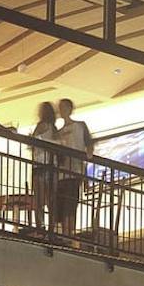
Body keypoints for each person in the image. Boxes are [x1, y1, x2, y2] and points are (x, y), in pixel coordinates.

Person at [54, 97, 95, 237]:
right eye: (60, 108)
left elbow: (89, 143)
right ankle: (63, 232)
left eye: (64, 107)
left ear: (70, 109)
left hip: (75, 171)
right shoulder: (58, 132)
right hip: (61, 173)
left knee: (70, 204)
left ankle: (69, 233)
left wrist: (88, 156)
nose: (62, 110)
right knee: (62, 203)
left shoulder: (80, 126)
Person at [28, 101, 60, 232]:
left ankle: (40, 227)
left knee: (39, 199)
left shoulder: (41, 125)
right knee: (51, 198)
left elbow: (32, 143)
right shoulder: (54, 129)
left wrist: (30, 137)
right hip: (52, 165)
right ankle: (53, 227)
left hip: (40, 165)